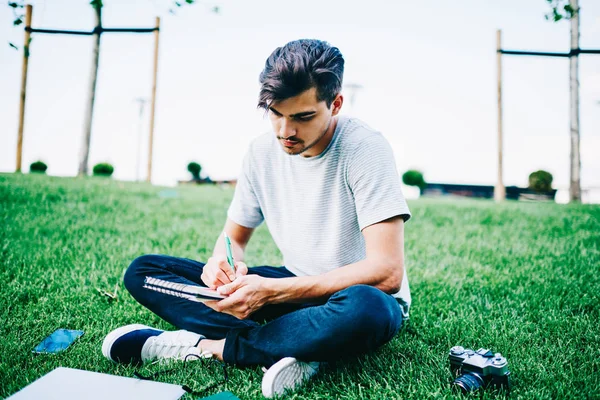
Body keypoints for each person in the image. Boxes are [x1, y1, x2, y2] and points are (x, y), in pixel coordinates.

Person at [102, 39, 412, 398]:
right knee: (145, 272)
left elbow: (387, 272)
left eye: (302, 117)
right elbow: (233, 237)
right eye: (276, 113)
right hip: (293, 290)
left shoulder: (365, 148)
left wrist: (272, 292)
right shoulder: (260, 153)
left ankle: (209, 348)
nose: (285, 132)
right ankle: (301, 345)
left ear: (336, 103)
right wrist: (220, 264)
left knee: (366, 309)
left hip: (354, 297)